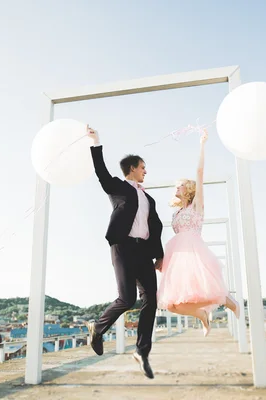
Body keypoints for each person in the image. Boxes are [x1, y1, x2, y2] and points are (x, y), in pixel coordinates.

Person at [86, 125, 164, 379]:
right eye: (143, 167)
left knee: (151, 298)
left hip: (144, 251)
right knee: (127, 298)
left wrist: (159, 254)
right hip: (122, 246)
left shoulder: (149, 199)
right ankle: (97, 328)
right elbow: (101, 172)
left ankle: (142, 351)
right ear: (132, 168)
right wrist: (96, 142)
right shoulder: (119, 188)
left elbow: (156, 226)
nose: (145, 171)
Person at [156, 129, 241, 336]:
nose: (177, 187)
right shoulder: (177, 211)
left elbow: (200, 173)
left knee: (208, 291)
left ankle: (231, 303)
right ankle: (202, 316)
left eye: (180, 185)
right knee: (172, 304)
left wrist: (202, 144)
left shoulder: (197, 206)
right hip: (177, 254)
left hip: (194, 250)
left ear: (189, 188)